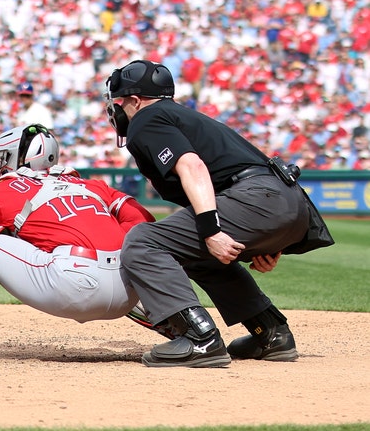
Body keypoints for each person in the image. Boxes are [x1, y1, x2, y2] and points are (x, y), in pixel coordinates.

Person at [105, 59, 312, 368]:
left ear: (135, 101)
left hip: (254, 199)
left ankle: (199, 339)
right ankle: (270, 333)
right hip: (290, 203)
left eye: (121, 101)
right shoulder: (185, 116)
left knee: (143, 241)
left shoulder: (146, 118)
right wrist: (272, 242)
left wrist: (211, 229)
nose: (118, 109)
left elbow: (192, 166)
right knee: (197, 253)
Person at [0, 124, 156, 363]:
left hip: (72, 286)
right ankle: (181, 327)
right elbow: (144, 221)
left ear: (15, 157)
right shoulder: (91, 185)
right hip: (128, 292)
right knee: (128, 252)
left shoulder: (5, 188)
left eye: (0, 158)